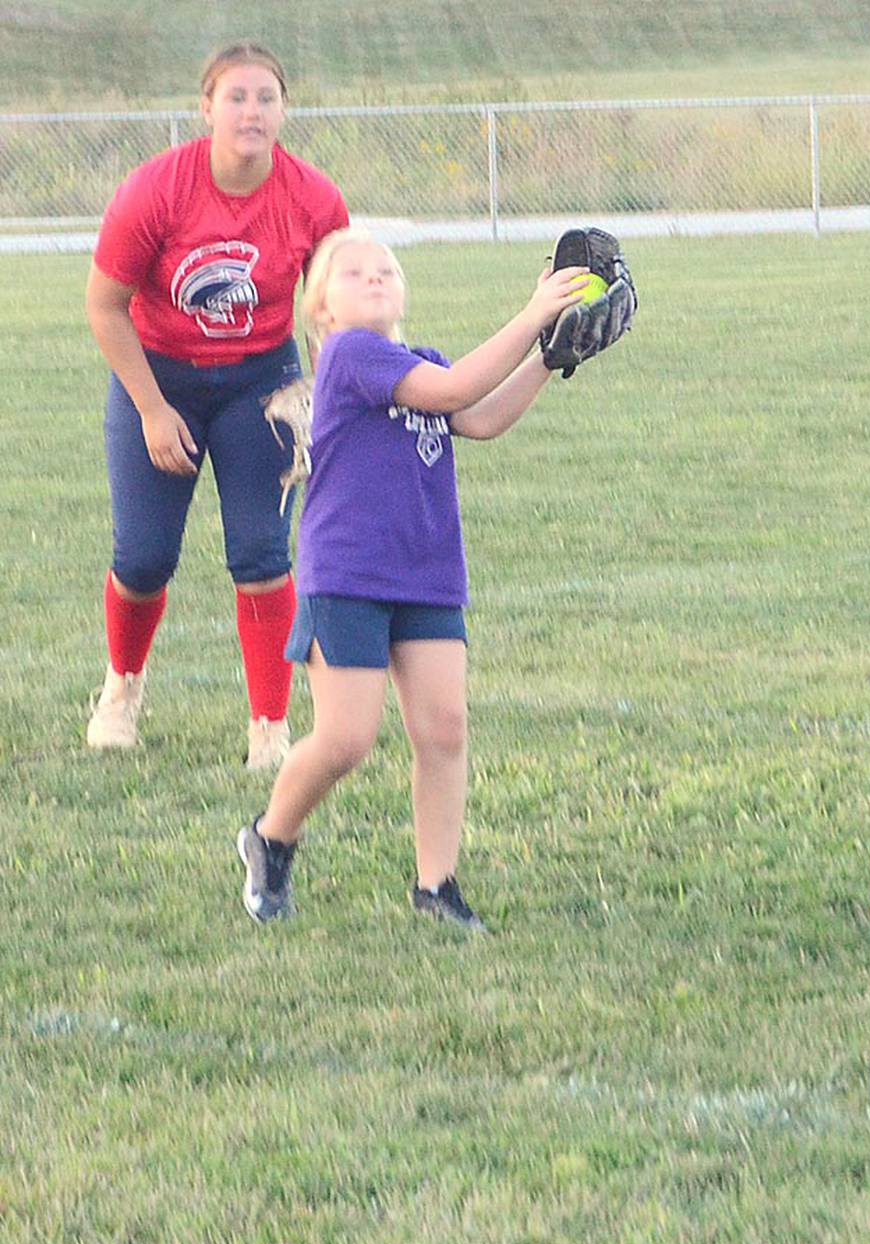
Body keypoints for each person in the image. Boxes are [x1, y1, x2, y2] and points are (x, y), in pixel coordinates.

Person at [235, 227, 589, 928]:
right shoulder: (350, 355)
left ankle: (436, 886)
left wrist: (550, 358)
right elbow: (457, 387)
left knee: (445, 729)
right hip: (350, 573)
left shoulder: (414, 359)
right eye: (353, 272)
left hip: (426, 570)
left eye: (386, 269)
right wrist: (533, 314)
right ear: (321, 311)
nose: (373, 277)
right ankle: (270, 836)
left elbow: (479, 414)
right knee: (346, 739)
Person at [84, 42, 349, 769]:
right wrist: (150, 408)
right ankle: (122, 691)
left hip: (259, 383)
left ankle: (269, 725)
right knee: (142, 557)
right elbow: (105, 307)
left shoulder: (313, 196)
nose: (252, 111)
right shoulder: (156, 188)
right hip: (158, 374)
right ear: (206, 108)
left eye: (266, 97)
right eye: (236, 97)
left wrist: (329, 393)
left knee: (262, 552)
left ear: (284, 109)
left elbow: (334, 307)